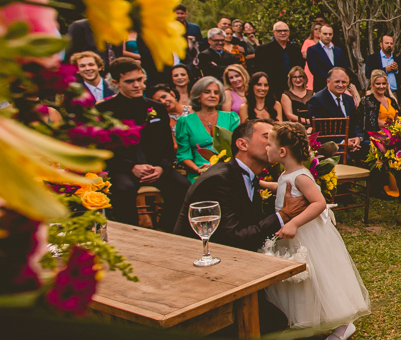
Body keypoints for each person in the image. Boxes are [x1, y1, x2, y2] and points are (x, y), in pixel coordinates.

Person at [261, 121, 371, 340]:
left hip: (306, 235)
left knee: (318, 276)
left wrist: (294, 223)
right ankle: (301, 322)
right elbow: (282, 187)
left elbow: (319, 203)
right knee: (299, 281)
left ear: (282, 151)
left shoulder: (301, 177)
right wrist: (262, 184)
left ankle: (343, 324)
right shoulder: (287, 173)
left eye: (269, 144)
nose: (266, 148)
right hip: (292, 236)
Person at [97, 58, 189, 230]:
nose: (137, 85)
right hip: (123, 168)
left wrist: (161, 167)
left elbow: (168, 146)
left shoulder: (157, 108)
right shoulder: (104, 110)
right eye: (129, 81)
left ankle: (167, 230)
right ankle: (130, 233)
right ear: (116, 82)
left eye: (139, 79)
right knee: (124, 189)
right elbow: (103, 149)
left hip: (156, 166)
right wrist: (131, 167)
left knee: (182, 187)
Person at [174, 119, 292, 249]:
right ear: (243, 144)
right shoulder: (217, 180)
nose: (276, 143)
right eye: (268, 137)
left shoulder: (250, 178)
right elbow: (230, 239)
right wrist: (283, 216)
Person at [175, 76, 241, 182]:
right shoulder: (185, 122)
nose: (212, 95)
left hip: (228, 172)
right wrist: (198, 170)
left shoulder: (231, 118)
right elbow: (184, 154)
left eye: (216, 92)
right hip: (199, 174)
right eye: (207, 92)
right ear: (198, 96)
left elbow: (238, 148)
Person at [359, 70, 401, 197]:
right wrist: (383, 124)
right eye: (378, 84)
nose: (381, 86)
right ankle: (379, 187)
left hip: (391, 134)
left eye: (383, 83)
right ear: (372, 84)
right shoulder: (367, 100)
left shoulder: (391, 100)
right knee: (381, 148)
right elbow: (366, 122)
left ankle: (399, 184)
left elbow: (398, 118)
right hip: (373, 136)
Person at [306, 68, 363, 154]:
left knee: (372, 148)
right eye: (337, 82)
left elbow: (355, 122)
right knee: (343, 157)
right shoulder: (317, 100)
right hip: (330, 143)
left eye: (344, 82)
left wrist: (358, 137)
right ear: (328, 81)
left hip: (352, 141)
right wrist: (343, 142)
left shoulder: (349, 99)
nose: (341, 85)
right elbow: (320, 130)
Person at [253, 21, 306, 92]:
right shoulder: (263, 50)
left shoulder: (295, 49)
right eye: (279, 31)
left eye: (285, 31)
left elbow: (300, 67)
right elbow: (259, 70)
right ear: (274, 32)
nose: (283, 33)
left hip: (293, 88)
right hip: (272, 88)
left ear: (289, 32)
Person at [305, 24, 353, 93]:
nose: (328, 36)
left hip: (339, 87)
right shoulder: (312, 50)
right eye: (325, 34)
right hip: (321, 87)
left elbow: (344, 67)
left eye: (330, 34)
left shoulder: (338, 50)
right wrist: (331, 80)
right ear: (319, 34)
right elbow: (314, 69)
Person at [363, 34, 401, 102]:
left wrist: (397, 70)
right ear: (381, 44)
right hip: (378, 93)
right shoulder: (373, 58)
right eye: (386, 43)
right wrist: (385, 70)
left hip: (394, 93)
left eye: (391, 43)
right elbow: (368, 74)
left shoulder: (397, 59)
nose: (389, 45)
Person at [174, 4, 203, 70]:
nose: (179, 16)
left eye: (182, 13)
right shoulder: (169, 28)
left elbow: (201, 44)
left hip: (191, 59)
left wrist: (194, 42)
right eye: (177, 13)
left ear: (186, 14)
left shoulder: (195, 28)